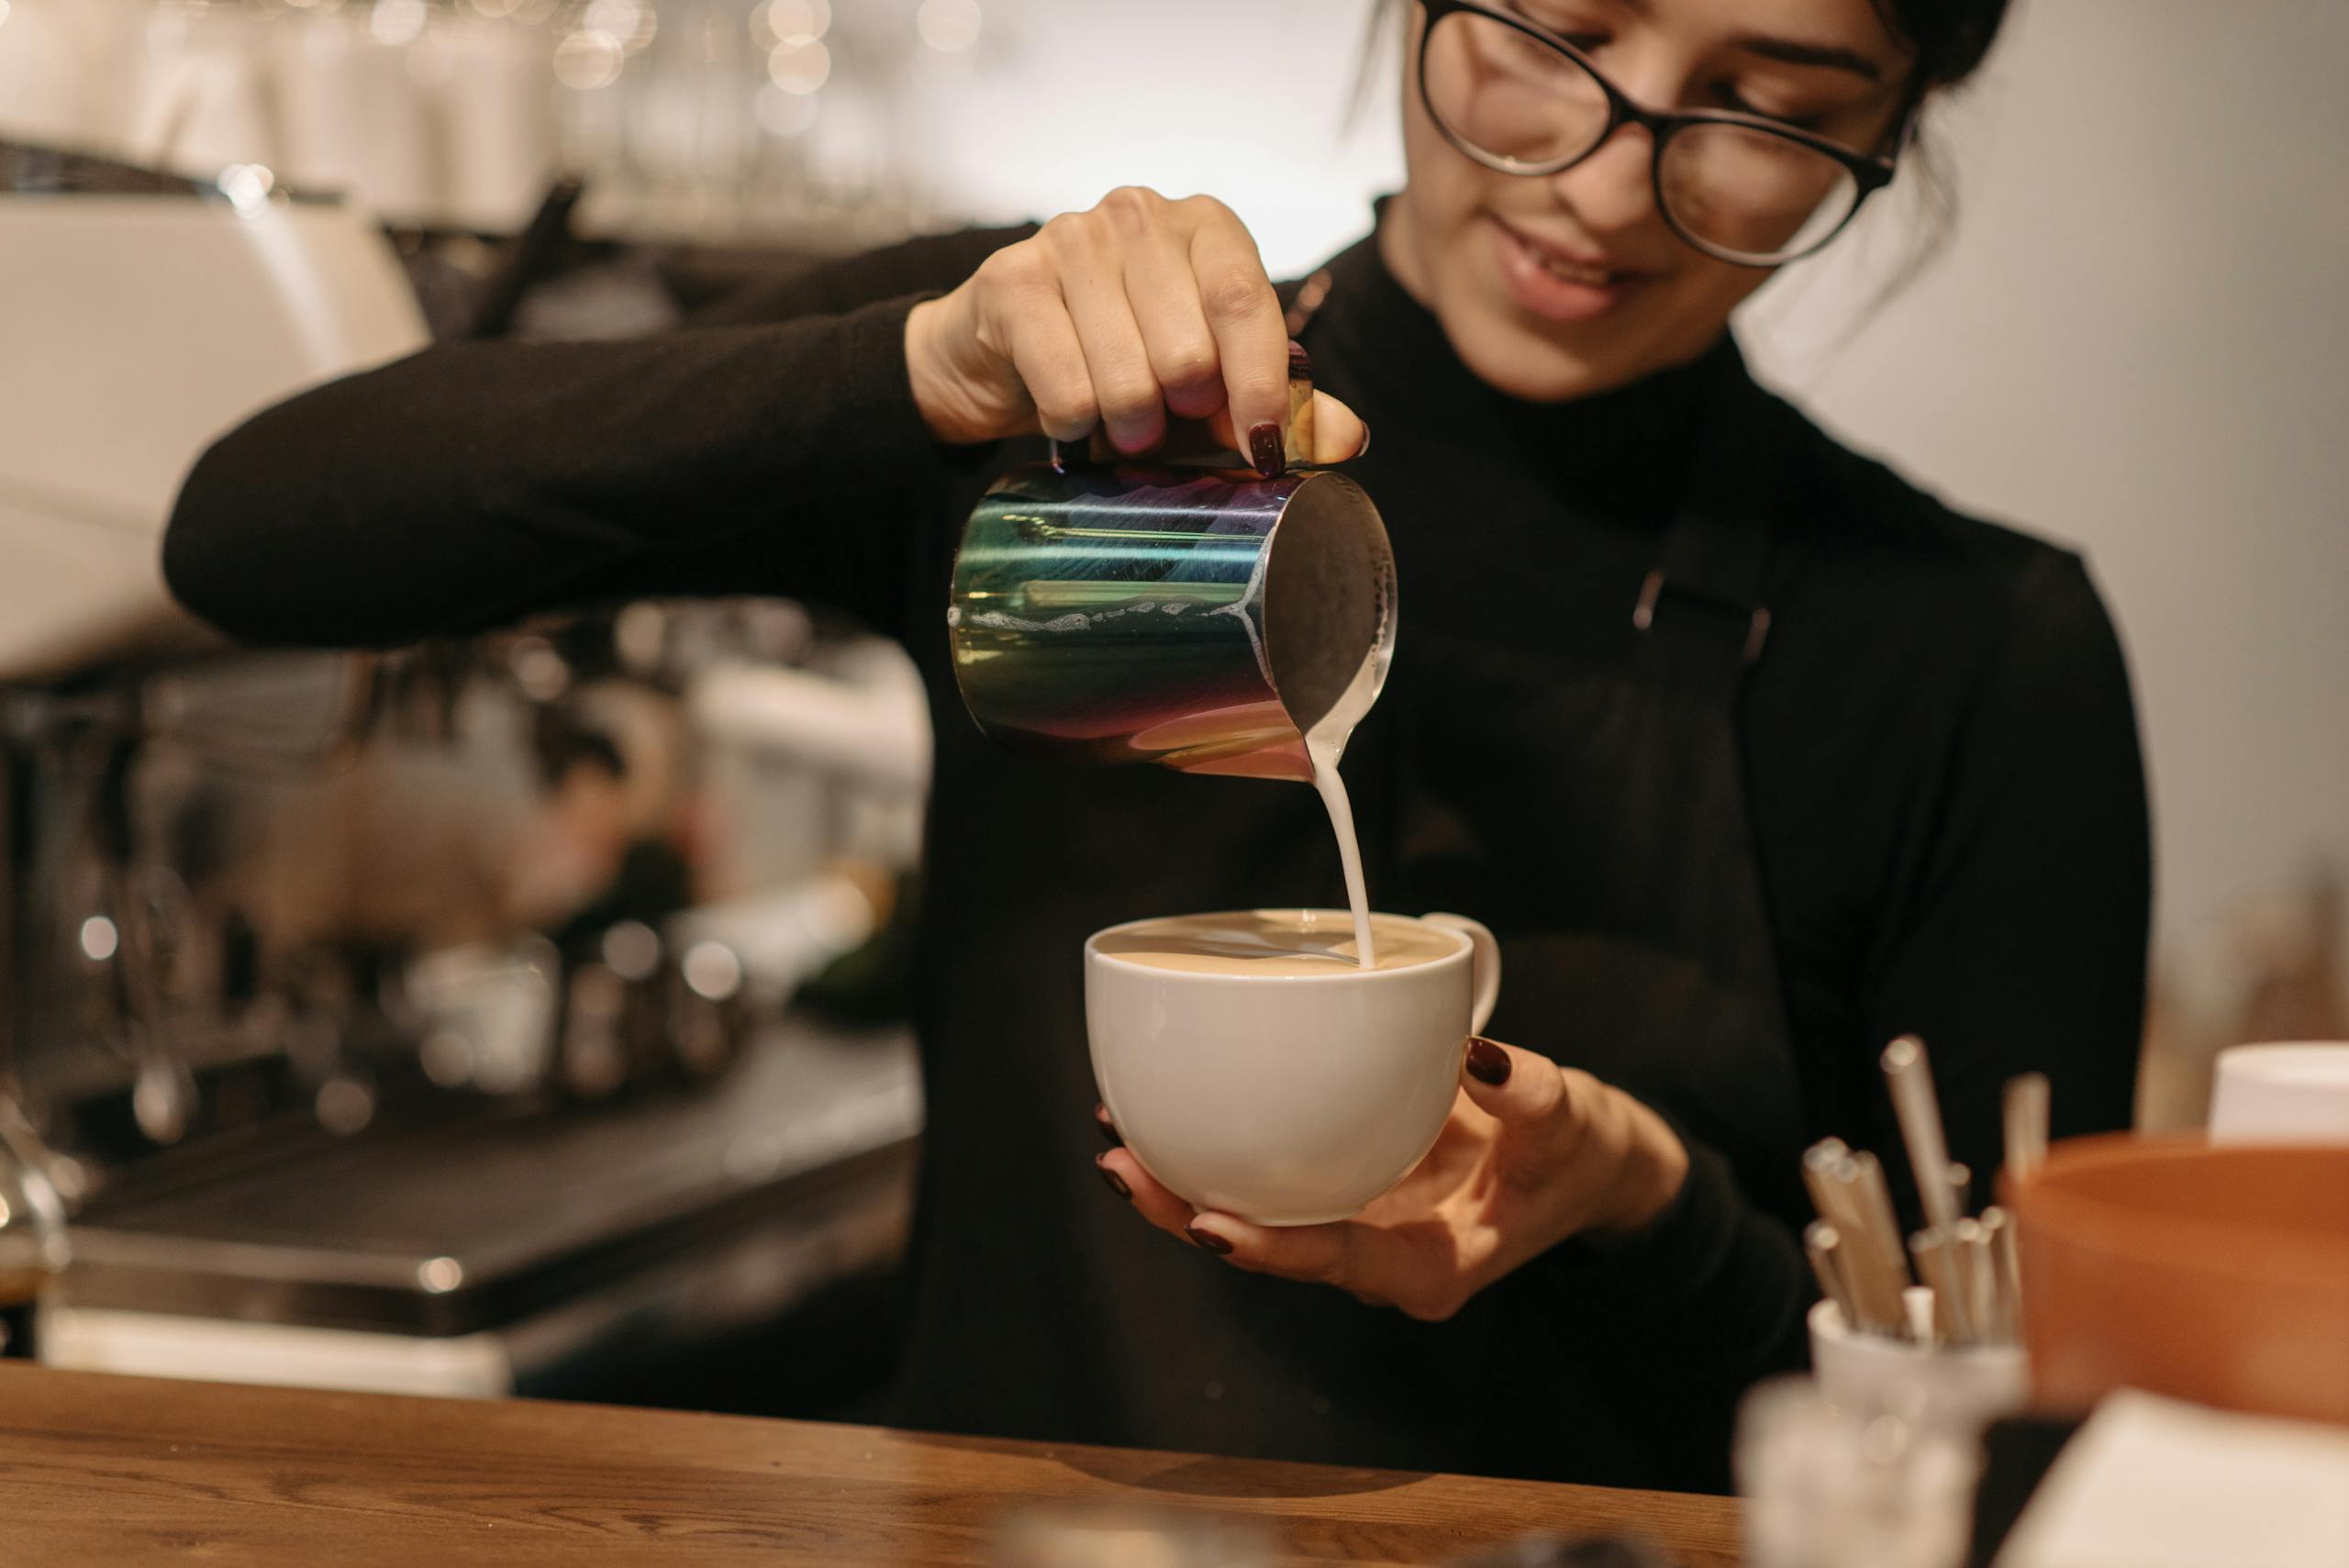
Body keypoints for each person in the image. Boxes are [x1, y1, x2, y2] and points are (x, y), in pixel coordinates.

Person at [161, 0, 2149, 1491]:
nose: (1607, 185)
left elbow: (2005, 1442)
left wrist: (1650, 1211)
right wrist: (908, 363)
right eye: (1555, 31)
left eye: (1764, 112)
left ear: (1894, 125)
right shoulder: (1079, 436)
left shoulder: (1963, 647)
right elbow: (249, 532)